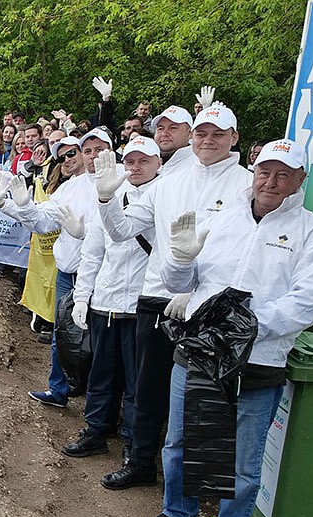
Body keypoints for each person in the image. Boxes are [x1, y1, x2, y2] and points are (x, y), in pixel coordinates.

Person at [142, 139, 313, 517]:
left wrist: (245, 327)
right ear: (254, 172)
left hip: (260, 360)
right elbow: (182, 281)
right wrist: (179, 259)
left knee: (244, 460)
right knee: (181, 443)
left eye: (284, 174)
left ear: (301, 180)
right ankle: (178, 515)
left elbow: (307, 302)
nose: (271, 182)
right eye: (265, 171)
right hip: (201, 351)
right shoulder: (222, 217)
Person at [94, 103, 252, 490]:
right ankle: (142, 462)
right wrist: (106, 200)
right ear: (193, 137)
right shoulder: (169, 181)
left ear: (234, 138)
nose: (209, 141)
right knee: (148, 388)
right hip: (158, 298)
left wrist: (199, 292)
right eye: (202, 133)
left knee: (204, 397)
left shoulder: (246, 185)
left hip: (213, 308)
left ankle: (194, 485)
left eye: (218, 134)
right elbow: (122, 231)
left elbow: (245, 253)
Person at [61, 136, 162, 459]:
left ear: (158, 163)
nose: (135, 167)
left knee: (137, 383)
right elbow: (93, 252)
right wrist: (82, 296)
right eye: (130, 161)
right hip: (105, 302)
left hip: (140, 305)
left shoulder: (167, 196)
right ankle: (96, 431)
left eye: (143, 161)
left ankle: (134, 445)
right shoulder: (110, 192)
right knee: (101, 375)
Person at [0, 130, 108, 408]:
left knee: (100, 343)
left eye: (73, 153)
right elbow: (43, 222)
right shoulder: (70, 188)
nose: (68, 159)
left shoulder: (119, 185)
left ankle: (98, 404)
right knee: (63, 334)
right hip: (68, 273)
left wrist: (86, 232)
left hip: (103, 276)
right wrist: (10, 204)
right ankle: (58, 390)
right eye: (63, 156)